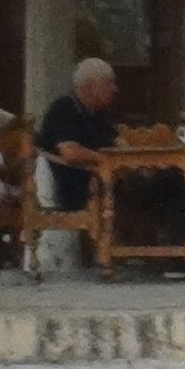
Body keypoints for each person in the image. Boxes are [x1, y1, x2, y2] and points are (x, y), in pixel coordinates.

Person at [31, 59, 120, 270]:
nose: (114, 89)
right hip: (71, 182)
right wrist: (103, 160)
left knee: (161, 184)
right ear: (89, 86)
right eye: (108, 83)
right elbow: (69, 152)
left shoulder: (97, 113)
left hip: (99, 178)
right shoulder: (64, 109)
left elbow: (116, 140)